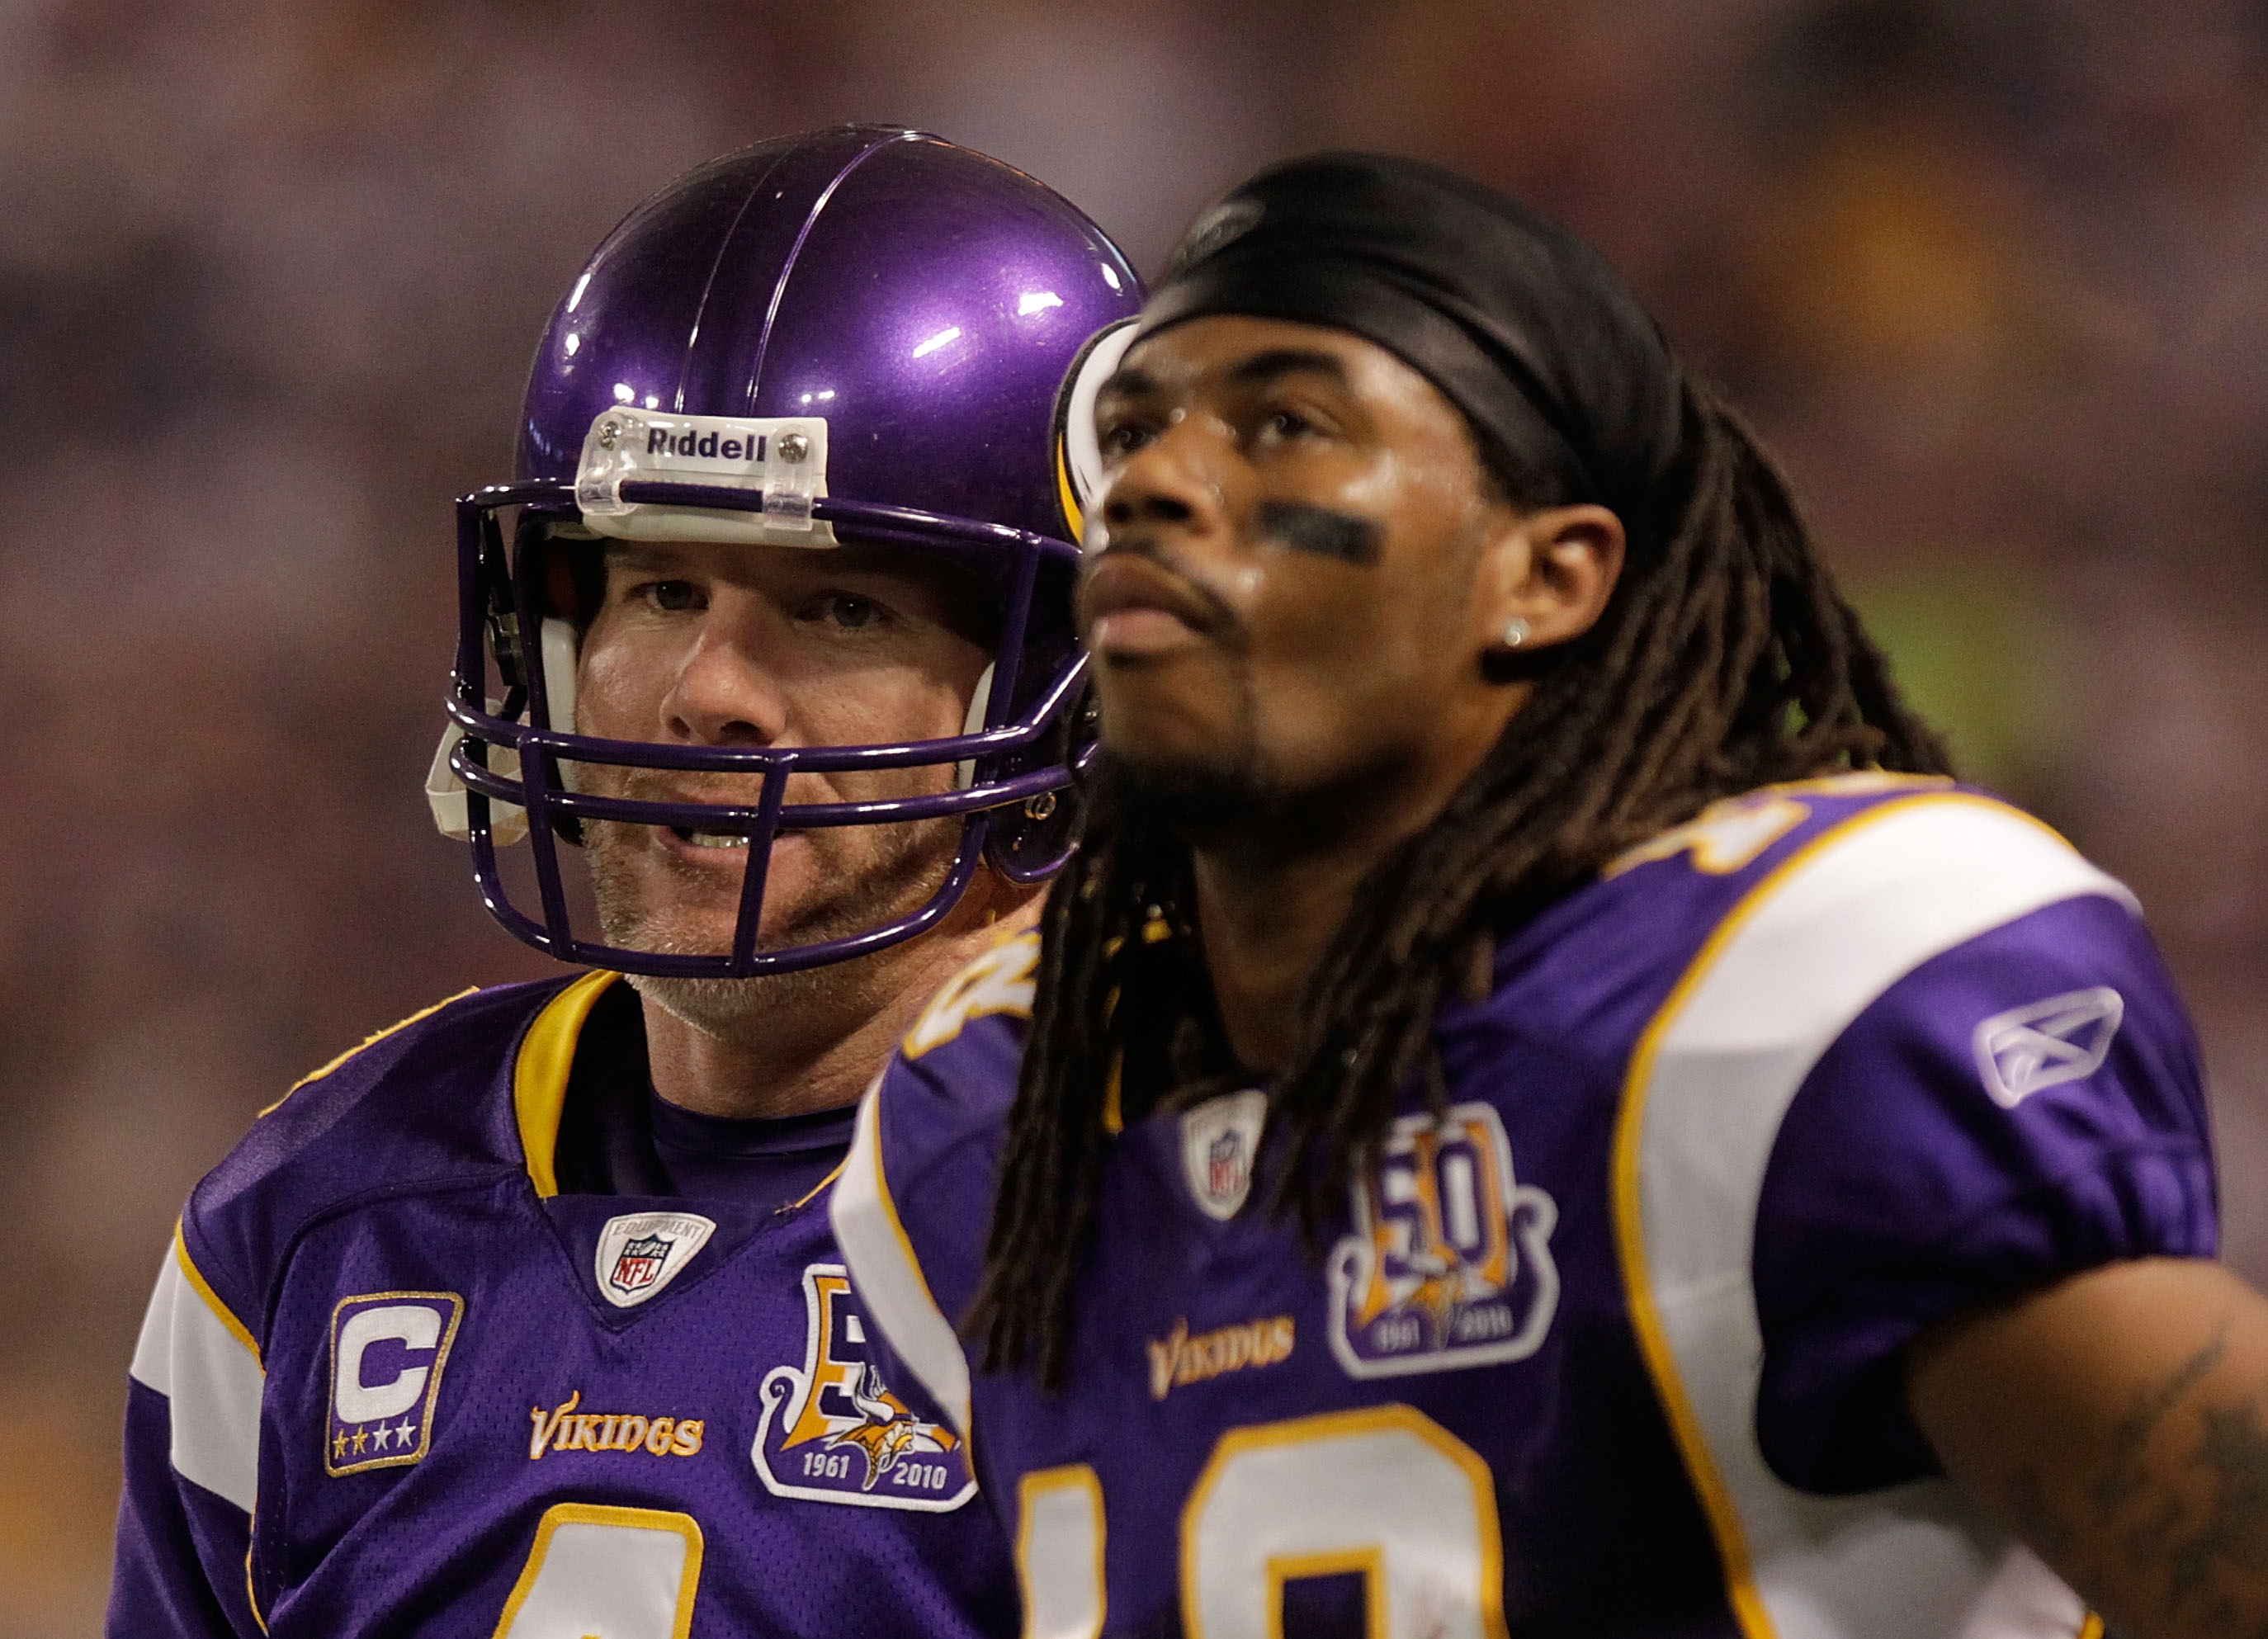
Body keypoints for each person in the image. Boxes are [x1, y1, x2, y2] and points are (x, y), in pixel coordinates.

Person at [834, 152, 2268, 1639]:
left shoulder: (1788, 999)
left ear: (1547, 574)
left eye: (1286, 424)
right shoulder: (994, 1106)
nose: (1157, 485)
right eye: (1133, 431)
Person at [109, 125, 1141, 1637]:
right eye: (660, 587)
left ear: (1061, 691)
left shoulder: (1190, 1220)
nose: (709, 689)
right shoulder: (308, 1222)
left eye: (841, 603)